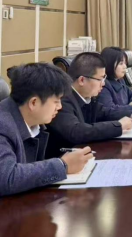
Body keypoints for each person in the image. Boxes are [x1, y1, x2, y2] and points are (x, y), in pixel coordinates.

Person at [0, 63, 93, 196]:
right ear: (34, 103)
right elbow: (7, 178)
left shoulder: (33, 122)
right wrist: (62, 165)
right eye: (56, 101)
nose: (60, 107)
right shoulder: (3, 124)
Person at [46, 52, 132, 157]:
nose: (103, 83)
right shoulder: (62, 100)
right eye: (100, 79)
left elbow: (106, 112)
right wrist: (118, 126)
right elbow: (77, 131)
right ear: (82, 80)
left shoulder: (88, 97)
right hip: (64, 160)